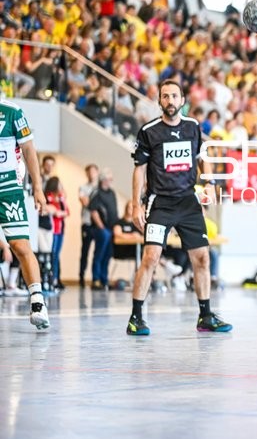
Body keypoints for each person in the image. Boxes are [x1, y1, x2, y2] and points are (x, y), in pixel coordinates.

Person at [129, 80, 232, 335]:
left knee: (202, 258)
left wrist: (207, 182)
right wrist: (135, 205)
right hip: (160, 202)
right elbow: (139, 170)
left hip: (187, 201)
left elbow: (201, 159)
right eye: (165, 96)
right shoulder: (149, 131)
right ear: (160, 101)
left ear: (182, 100)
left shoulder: (193, 127)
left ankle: (205, 316)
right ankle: (136, 317)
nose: (170, 101)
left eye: (175, 96)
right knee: (151, 257)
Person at [0, 99, 50, 329]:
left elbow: (29, 149)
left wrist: (38, 188)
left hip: (8, 189)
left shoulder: (12, 111)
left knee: (20, 246)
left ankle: (37, 301)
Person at [88, 169, 118, 290]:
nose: (111, 181)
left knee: (108, 255)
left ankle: (104, 279)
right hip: (101, 229)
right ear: (104, 180)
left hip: (111, 229)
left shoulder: (112, 193)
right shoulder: (97, 192)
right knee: (99, 254)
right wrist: (101, 226)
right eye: (110, 179)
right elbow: (93, 211)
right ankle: (96, 279)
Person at [44, 176, 69, 290]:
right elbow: (49, 209)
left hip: (60, 230)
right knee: (52, 254)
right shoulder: (48, 196)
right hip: (52, 230)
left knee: (56, 255)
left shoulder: (61, 197)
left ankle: (56, 278)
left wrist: (60, 212)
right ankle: (51, 279)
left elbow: (67, 211)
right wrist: (57, 212)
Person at [78, 164, 98, 287]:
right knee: (85, 251)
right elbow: (85, 202)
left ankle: (96, 278)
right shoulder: (82, 187)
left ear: (97, 172)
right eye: (89, 172)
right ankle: (81, 277)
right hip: (87, 223)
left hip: (98, 225)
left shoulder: (101, 188)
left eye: (93, 172)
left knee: (98, 252)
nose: (91, 174)